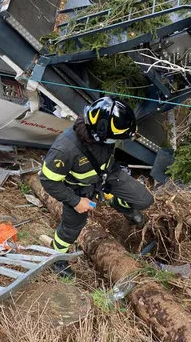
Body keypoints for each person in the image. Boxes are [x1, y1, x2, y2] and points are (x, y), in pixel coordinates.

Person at [39, 96, 154, 278]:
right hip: (78, 189)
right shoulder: (65, 150)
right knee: (71, 228)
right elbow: (47, 180)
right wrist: (75, 201)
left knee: (144, 199)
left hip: (107, 174)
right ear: (98, 134)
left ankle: (118, 204)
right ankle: (57, 259)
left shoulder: (104, 132)